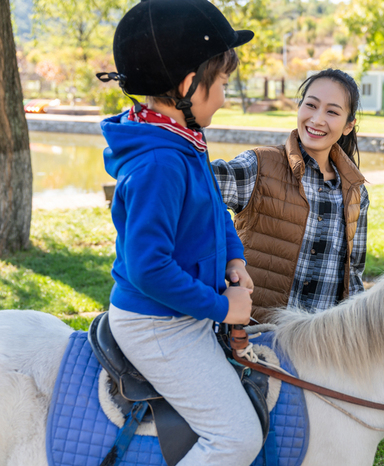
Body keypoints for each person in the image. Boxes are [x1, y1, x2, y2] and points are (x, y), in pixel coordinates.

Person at [98, 0, 260, 464]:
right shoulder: (161, 162)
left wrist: (234, 258)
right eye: (224, 83)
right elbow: (148, 268)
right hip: (157, 324)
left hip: (179, 311)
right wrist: (222, 308)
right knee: (236, 438)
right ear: (190, 84)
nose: (226, 96)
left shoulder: (183, 138)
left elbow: (214, 210)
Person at [212, 69, 369, 322]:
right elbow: (198, 185)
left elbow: (354, 278)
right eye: (311, 105)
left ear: (349, 125)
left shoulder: (356, 192)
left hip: (320, 345)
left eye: (332, 111)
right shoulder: (259, 166)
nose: (317, 119)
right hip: (254, 337)